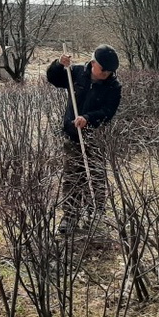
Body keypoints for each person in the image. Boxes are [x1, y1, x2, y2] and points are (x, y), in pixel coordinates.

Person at [46, 44, 122, 234]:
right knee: (72, 177)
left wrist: (88, 118)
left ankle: (96, 214)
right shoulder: (77, 72)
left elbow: (108, 111)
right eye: (102, 68)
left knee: (95, 176)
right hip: (72, 134)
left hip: (96, 136)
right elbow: (53, 78)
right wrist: (58, 64)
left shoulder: (114, 86)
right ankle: (70, 217)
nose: (105, 73)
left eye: (109, 71)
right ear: (93, 62)